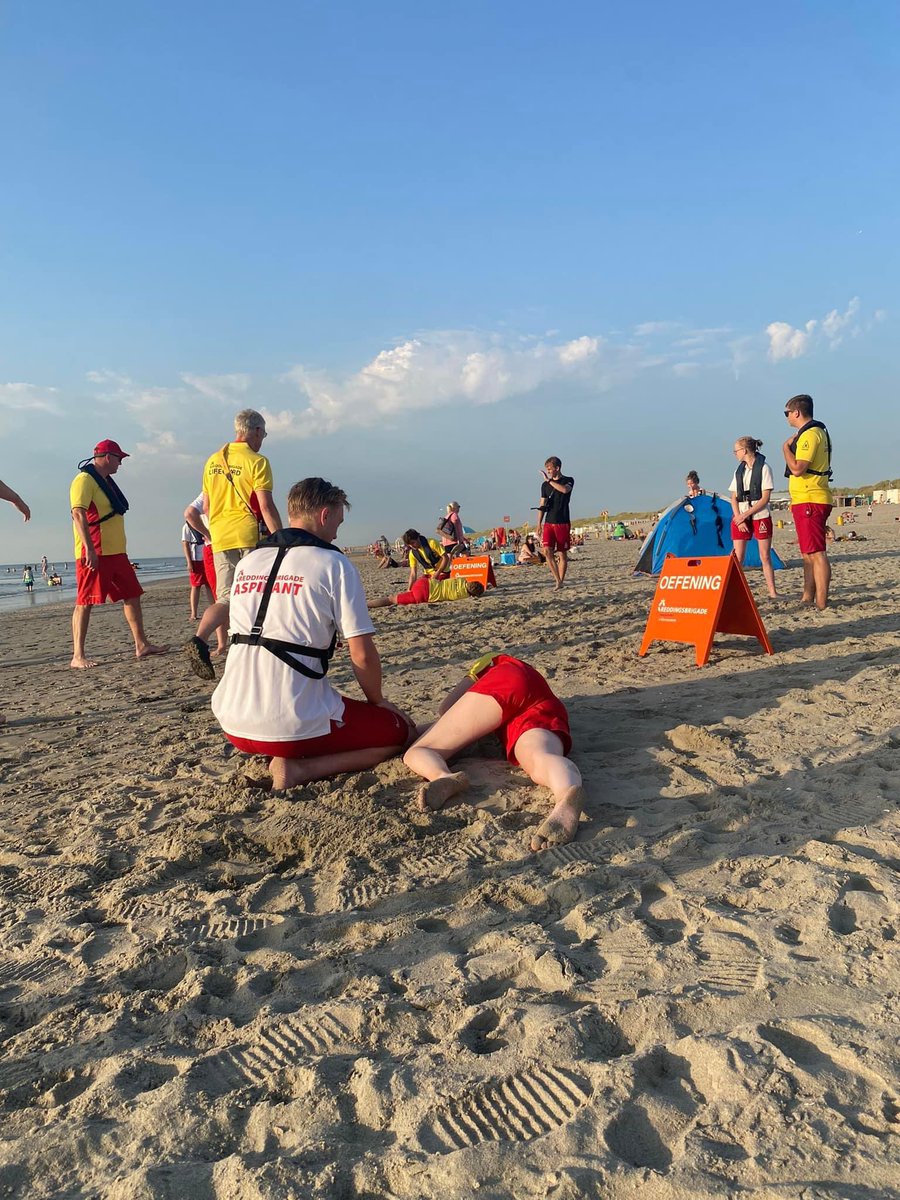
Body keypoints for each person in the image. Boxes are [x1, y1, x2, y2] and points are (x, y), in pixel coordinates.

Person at [210, 477, 414, 790]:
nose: (336, 533)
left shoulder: (248, 561)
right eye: (338, 523)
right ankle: (301, 770)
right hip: (289, 726)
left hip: (232, 720)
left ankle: (288, 755)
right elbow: (361, 652)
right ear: (324, 515)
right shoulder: (333, 563)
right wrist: (378, 702)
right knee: (400, 732)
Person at [403, 653, 583, 853]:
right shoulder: (506, 664)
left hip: (506, 683)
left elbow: (447, 709)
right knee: (540, 758)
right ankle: (566, 794)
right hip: (542, 703)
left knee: (419, 750)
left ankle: (443, 776)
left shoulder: (486, 664)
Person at [186, 409, 283, 678]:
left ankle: (199, 638)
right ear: (254, 431)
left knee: (226, 597)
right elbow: (265, 505)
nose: (263, 438)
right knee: (258, 594)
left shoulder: (213, 460)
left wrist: (210, 533)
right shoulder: (258, 461)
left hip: (219, 537)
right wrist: (282, 539)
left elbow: (205, 505)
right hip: (248, 535)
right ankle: (257, 649)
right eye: (263, 433)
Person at [69, 439, 168, 669]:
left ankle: (141, 644)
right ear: (106, 457)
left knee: (132, 594)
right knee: (85, 601)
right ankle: (78, 655)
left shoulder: (106, 481)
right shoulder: (84, 480)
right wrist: (90, 549)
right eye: (119, 458)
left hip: (116, 552)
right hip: (95, 550)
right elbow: (78, 514)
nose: (120, 463)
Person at [782, 393, 833, 610]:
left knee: (817, 552)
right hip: (806, 498)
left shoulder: (811, 434)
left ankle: (821, 602)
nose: (786, 418)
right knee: (807, 552)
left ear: (797, 412)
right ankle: (807, 596)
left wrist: (785, 449)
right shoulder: (815, 432)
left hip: (811, 498)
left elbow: (797, 468)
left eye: (787, 413)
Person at [729, 436, 778, 599]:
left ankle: (772, 591)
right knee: (738, 556)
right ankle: (734, 591)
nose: (734, 454)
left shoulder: (764, 468)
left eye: (736, 451)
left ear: (744, 450)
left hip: (759, 514)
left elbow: (765, 498)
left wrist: (746, 514)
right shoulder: (738, 471)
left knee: (764, 555)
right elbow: (733, 497)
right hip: (741, 515)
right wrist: (739, 517)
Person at [536, 456, 574, 590]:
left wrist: (549, 481)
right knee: (547, 551)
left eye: (550, 469)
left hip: (562, 522)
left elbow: (564, 490)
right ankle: (558, 580)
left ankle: (561, 580)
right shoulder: (545, 485)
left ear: (557, 468)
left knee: (562, 553)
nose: (548, 471)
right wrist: (538, 524)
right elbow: (542, 504)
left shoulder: (568, 480)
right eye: (547, 469)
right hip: (548, 522)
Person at [182, 511, 214, 621]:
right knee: (196, 585)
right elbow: (185, 544)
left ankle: (213, 608)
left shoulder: (206, 522)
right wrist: (189, 561)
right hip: (196, 559)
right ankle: (193, 613)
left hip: (208, 555)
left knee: (210, 585)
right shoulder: (187, 526)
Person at [370, 577, 485, 608]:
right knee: (391, 600)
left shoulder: (461, 580)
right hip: (425, 595)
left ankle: (368, 603)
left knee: (394, 597)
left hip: (425, 582)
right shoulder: (463, 595)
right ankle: (367, 605)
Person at [401, 529, 451, 594]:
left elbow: (446, 558)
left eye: (413, 543)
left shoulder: (432, 543)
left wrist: (437, 573)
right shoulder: (412, 553)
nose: (412, 546)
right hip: (428, 575)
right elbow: (413, 573)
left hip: (442, 573)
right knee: (417, 587)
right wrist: (409, 589)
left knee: (428, 589)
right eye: (409, 545)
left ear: (418, 538)